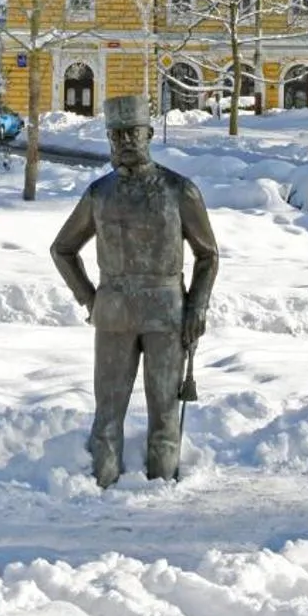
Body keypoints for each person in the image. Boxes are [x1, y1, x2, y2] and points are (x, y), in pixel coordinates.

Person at [50, 93, 220, 486]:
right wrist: (90, 299)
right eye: (116, 135)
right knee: (108, 410)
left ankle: (162, 487)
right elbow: (62, 249)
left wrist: (197, 307)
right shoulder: (99, 194)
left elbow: (207, 254)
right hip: (113, 313)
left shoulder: (180, 190)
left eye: (133, 133)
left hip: (167, 312)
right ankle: (102, 482)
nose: (125, 142)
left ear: (148, 134)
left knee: (164, 409)